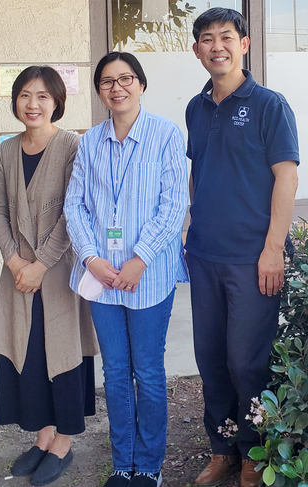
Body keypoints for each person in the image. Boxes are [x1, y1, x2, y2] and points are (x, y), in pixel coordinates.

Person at [185, 8, 299, 487]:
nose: (217, 46)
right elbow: (198, 171)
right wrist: (192, 225)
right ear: (196, 50)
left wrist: (274, 248)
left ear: (244, 44)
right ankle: (222, 449)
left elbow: (286, 177)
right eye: (207, 39)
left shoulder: (270, 105)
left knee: (246, 361)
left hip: (254, 260)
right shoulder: (196, 106)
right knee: (210, 358)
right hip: (205, 255)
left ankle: (256, 453)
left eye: (226, 37)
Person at [64, 52, 188, 487]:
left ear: (141, 84)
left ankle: (149, 466)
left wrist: (140, 259)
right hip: (101, 278)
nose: (117, 88)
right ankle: (123, 462)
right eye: (107, 82)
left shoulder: (167, 135)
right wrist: (91, 258)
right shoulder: (90, 142)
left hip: (148, 276)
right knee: (115, 370)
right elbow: (74, 205)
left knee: (148, 371)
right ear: (99, 92)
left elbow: (175, 206)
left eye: (126, 79)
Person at [0, 66, 99, 486]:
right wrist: (16, 262)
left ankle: (64, 443)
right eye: (24, 96)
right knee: (30, 352)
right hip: (17, 275)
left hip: (59, 275)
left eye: (42, 96)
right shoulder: (6, 150)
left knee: (62, 350)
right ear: (15, 100)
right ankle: (42, 437)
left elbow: (76, 213)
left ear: (57, 102)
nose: (32, 104)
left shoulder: (73, 146)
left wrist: (40, 265)